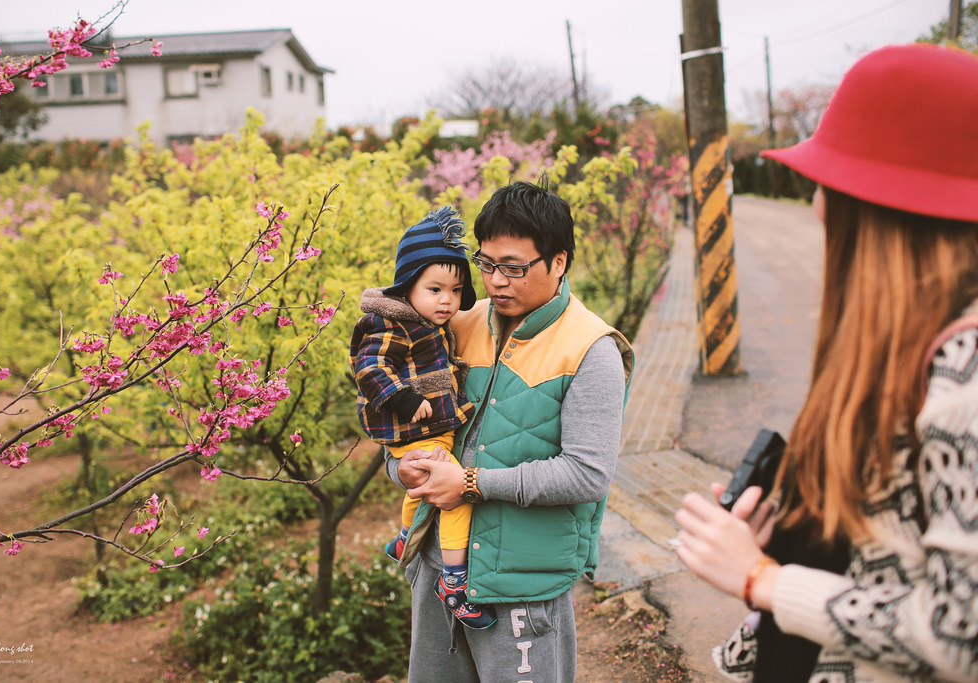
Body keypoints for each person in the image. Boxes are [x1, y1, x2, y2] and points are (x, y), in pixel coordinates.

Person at [674, 43, 978, 682]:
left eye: (828, 182)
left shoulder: (964, 375)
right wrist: (782, 543)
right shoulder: (911, 344)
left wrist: (764, 579)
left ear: (881, 209)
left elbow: (961, 633)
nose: (815, 203)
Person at [386, 178, 635, 682]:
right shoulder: (456, 324)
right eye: (487, 264)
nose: (496, 281)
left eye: (514, 268)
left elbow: (586, 475)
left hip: (523, 586)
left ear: (558, 261)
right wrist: (402, 467)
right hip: (438, 567)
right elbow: (404, 419)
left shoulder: (592, 350)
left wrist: (471, 484)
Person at [350, 206, 496, 630]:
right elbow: (368, 368)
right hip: (412, 426)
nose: (446, 300)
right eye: (434, 289)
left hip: (428, 429)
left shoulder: (430, 323)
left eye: (455, 290)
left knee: (421, 490)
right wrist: (404, 398)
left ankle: (403, 540)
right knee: (455, 497)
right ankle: (454, 582)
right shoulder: (392, 324)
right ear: (408, 286)